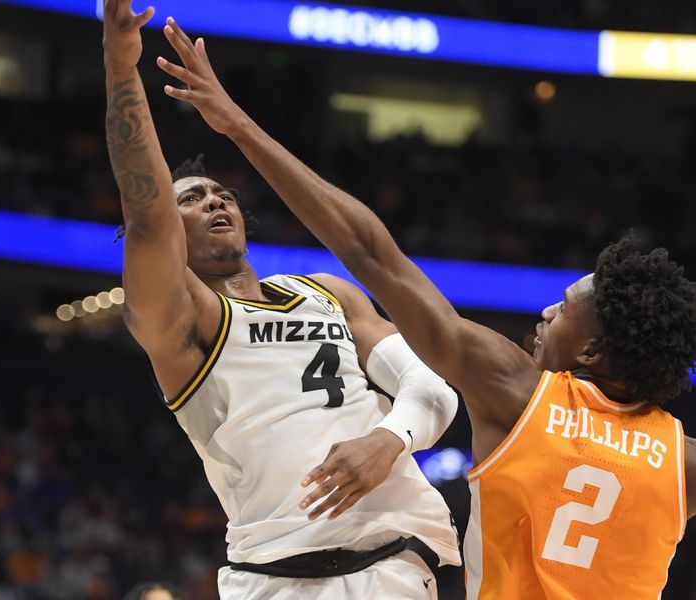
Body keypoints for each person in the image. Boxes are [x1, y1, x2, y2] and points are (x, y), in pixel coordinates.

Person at [156, 15, 696, 599]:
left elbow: (369, 252)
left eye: (567, 307)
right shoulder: (693, 463)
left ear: (591, 350)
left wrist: (241, 128)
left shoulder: (519, 393)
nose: (548, 312)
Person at [102, 2, 461, 598]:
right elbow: (146, 212)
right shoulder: (184, 322)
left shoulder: (328, 294)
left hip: (391, 561)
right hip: (271, 578)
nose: (216, 202)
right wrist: (121, 74)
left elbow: (433, 389)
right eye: (192, 199)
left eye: (222, 194)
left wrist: (388, 440)